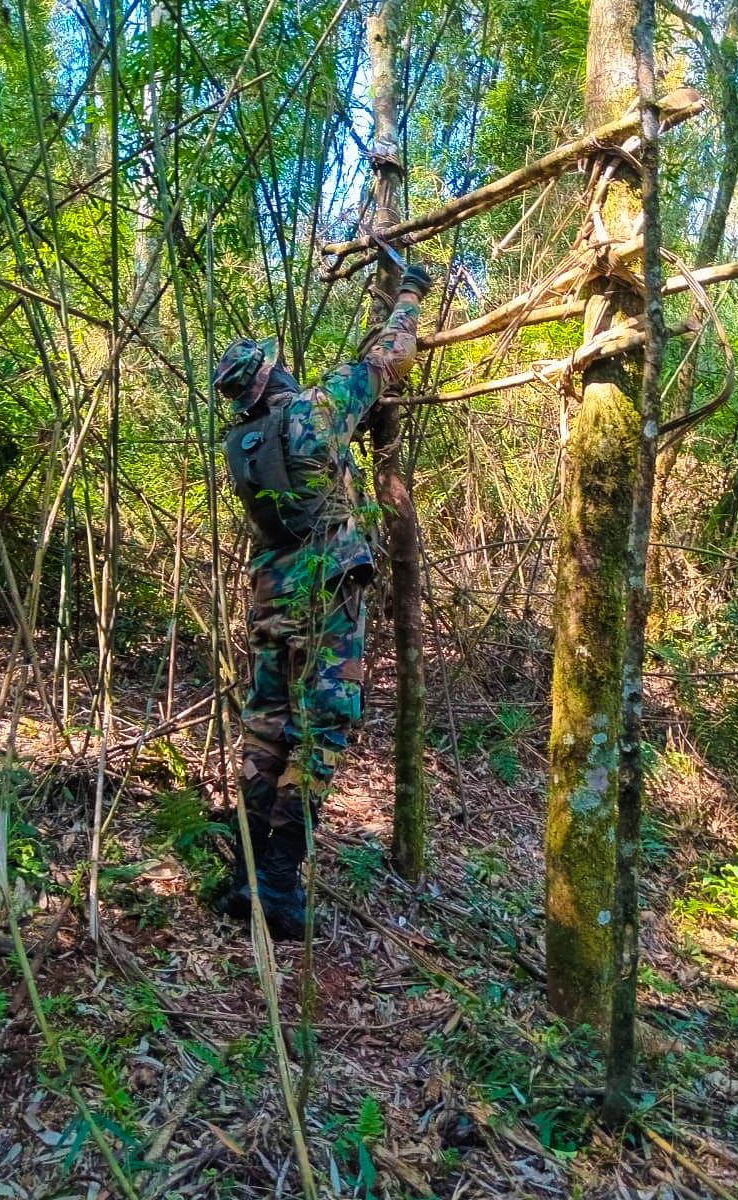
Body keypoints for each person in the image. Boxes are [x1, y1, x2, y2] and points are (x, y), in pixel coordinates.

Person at [213, 263, 432, 939]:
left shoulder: (240, 445)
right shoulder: (312, 413)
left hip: (271, 592)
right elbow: (389, 358)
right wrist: (410, 293)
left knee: (266, 724)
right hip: (327, 587)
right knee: (322, 727)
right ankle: (277, 884)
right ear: (273, 377)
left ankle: (245, 874)